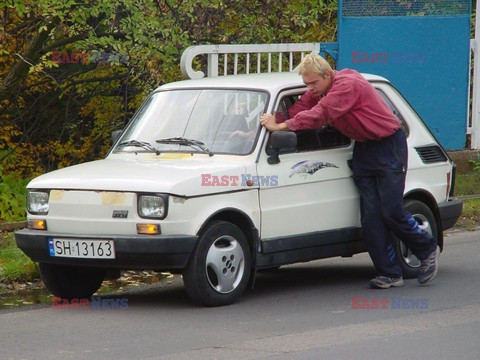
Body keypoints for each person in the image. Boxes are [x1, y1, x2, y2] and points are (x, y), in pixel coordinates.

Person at [260, 53, 439, 289]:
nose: (310, 89)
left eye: (313, 83)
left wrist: (282, 126)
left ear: (328, 74)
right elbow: (303, 106)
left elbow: (321, 113)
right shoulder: (320, 90)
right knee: (371, 218)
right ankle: (390, 273)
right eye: (306, 84)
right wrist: (270, 122)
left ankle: (427, 248)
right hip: (364, 148)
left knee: (392, 210)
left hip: (388, 146)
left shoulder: (347, 84)